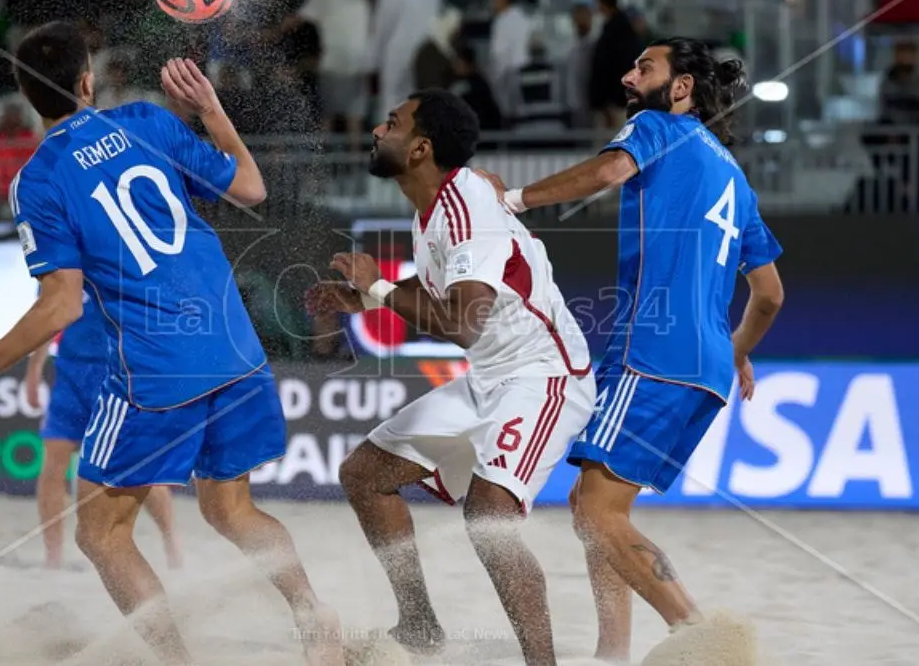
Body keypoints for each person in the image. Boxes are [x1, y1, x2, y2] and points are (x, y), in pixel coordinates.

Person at [0, 21, 344, 666]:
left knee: (100, 531)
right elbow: (251, 188)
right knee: (232, 509)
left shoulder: (38, 181)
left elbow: (62, 303)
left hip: (158, 371)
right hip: (235, 348)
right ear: (86, 81)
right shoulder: (146, 123)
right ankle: (314, 618)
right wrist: (212, 110)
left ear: (23, 97)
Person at [501, 37, 784, 663]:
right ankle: (613, 655)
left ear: (681, 87)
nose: (630, 77)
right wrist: (736, 351)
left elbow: (608, 172)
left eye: (645, 67)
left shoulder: (658, 125)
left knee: (598, 515)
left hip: (653, 352)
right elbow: (768, 294)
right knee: (594, 506)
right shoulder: (737, 180)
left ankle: (702, 637)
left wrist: (514, 200)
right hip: (705, 364)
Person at [306, 89, 596, 666]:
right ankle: (418, 626)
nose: (375, 130)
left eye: (390, 122)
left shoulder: (466, 206)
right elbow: (442, 295)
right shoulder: (433, 208)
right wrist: (366, 300)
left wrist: (380, 288)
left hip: (545, 376)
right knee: (365, 475)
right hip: (491, 374)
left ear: (420, 148)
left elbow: (463, 321)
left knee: (489, 514)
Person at [23, 293, 183, 571]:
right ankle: (54, 557)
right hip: (71, 373)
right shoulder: (62, 265)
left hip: (115, 373)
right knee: (53, 465)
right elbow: (48, 315)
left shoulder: (115, 261)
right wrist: (34, 370)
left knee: (138, 469)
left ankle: (172, 543)